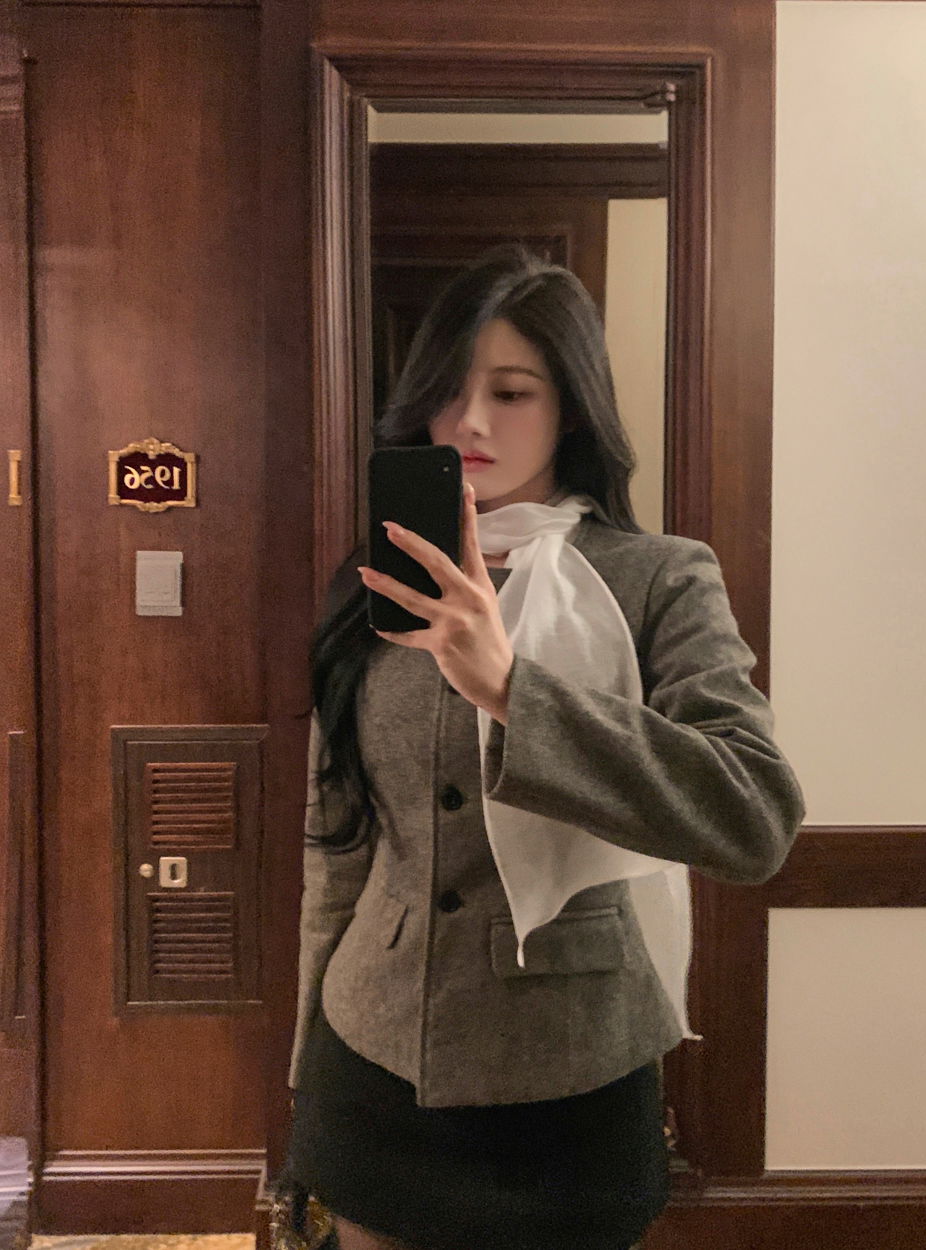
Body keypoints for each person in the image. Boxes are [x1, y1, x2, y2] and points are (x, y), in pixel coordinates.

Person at [280, 245, 805, 1250]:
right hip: (373, 1063)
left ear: (572, 408)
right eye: (446, 391)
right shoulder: (378, 581)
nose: (469, 422)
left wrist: (513, 690)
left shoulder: (658, 578)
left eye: (511, 392)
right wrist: (307, 1075)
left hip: (572, 1081)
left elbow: (754, 816)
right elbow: (335, 843)